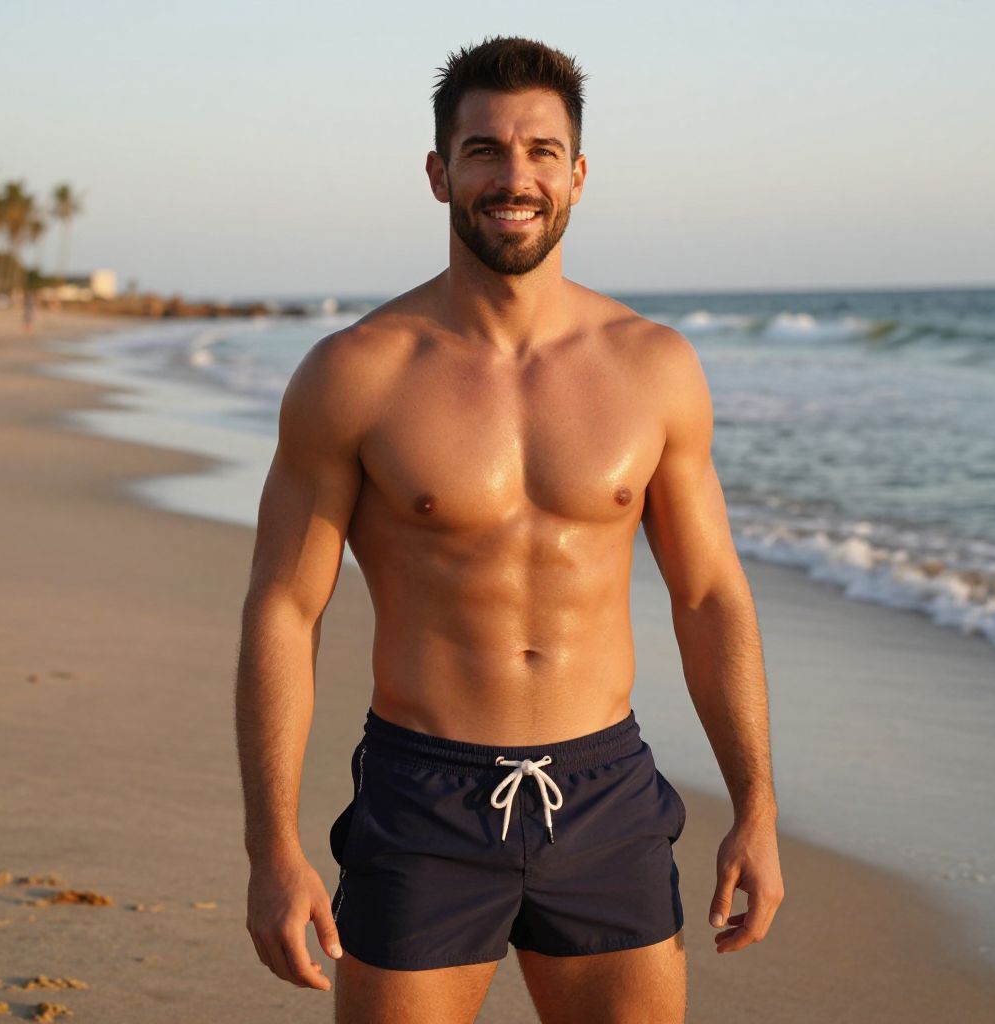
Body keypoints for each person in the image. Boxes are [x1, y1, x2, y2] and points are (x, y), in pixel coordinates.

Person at [236, 35, 783, 1024]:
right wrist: (271, 849)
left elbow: (708, 596)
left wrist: (758, 807)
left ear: (577, 175)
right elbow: (284, 608)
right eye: (484, 150)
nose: (513, 174)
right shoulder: (356, 373)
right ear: (439, 172)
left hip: (605, 792)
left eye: (540, 150)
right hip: (423, 796)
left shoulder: (651, 368)